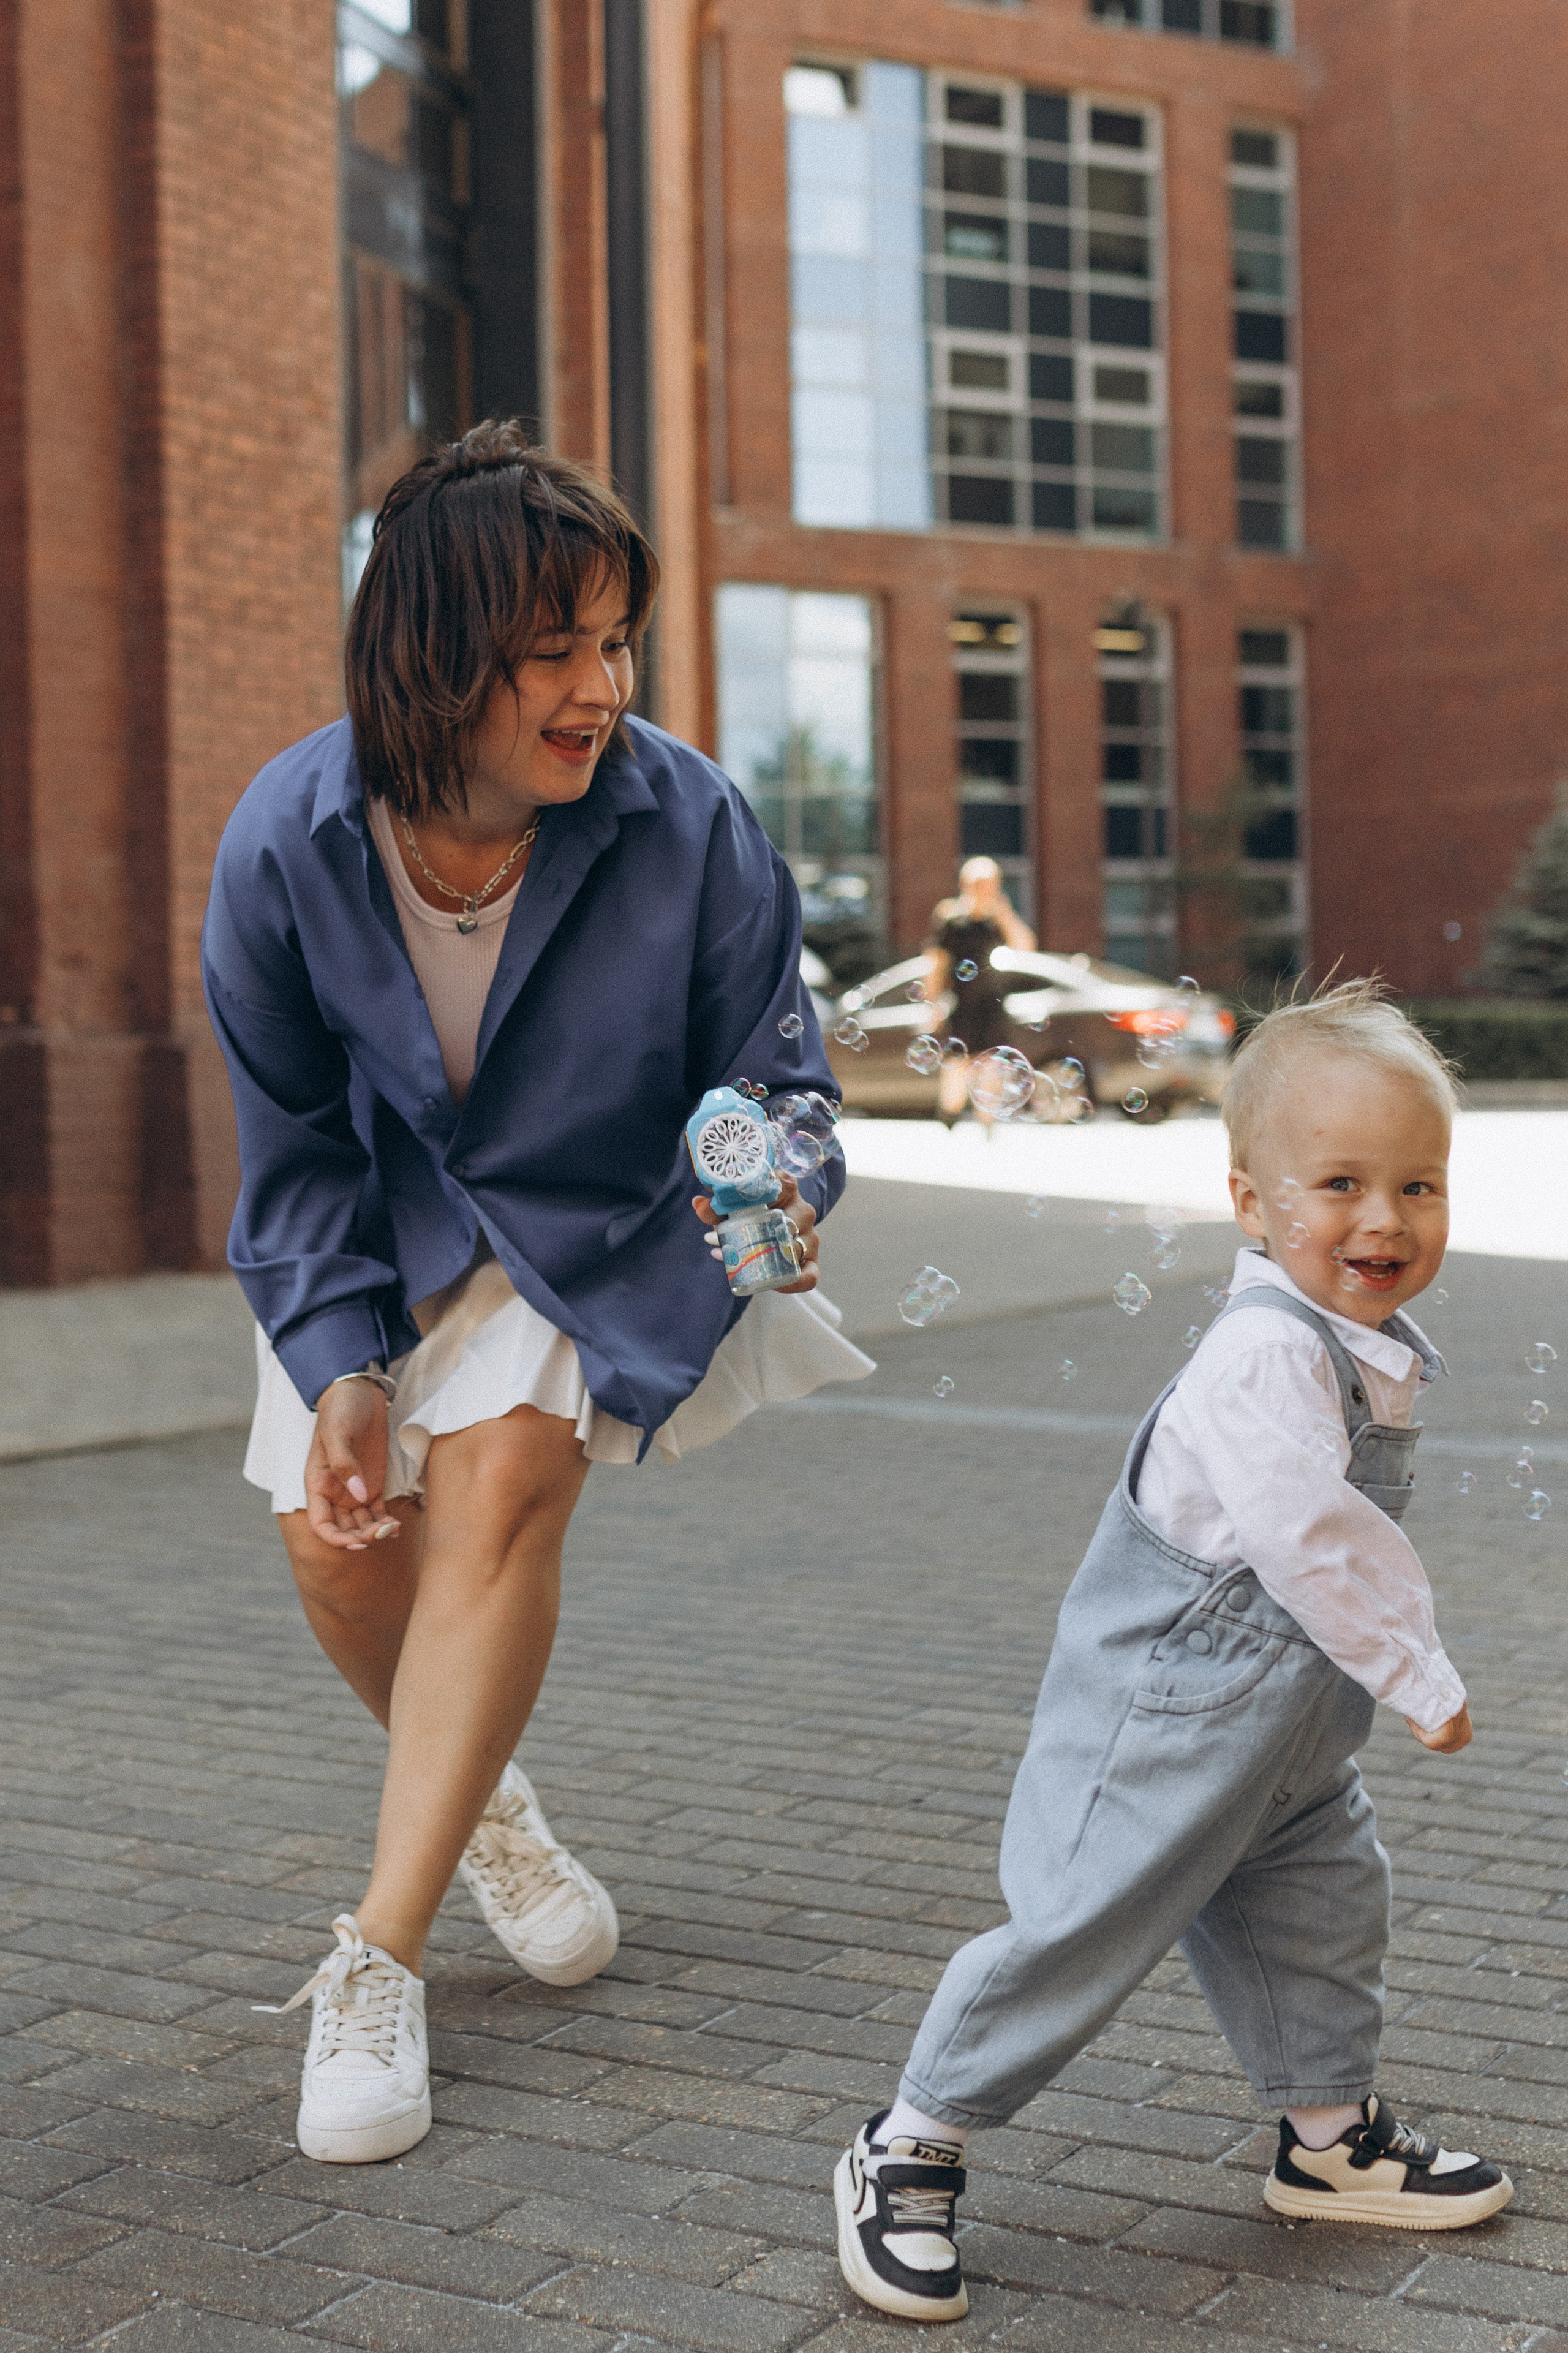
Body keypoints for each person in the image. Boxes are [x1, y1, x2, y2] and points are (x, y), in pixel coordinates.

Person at [203, 421, 872, 2167]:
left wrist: (779, 1185)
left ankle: (376, 1956)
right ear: (436, 660)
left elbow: (783, 1082)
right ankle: (483, 1809)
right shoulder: (282, 845)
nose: (603, 687)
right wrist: (343, 1360)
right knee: (337, 1538)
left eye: (616, 642)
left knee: (500, 1476)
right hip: (391, 1227)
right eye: (556, 649)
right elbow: (293, 1155)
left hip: (602, 1220)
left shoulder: (688, 816)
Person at [832, 980, 1511, 2324]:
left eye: (1417, 1185)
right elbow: (1307, 1534)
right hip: (1171, 1714)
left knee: (1320, 1908)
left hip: (1284, 1737)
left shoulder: (1359, 1340)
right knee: (1079, 1924)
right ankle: (907, 2142)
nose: (1382, 1218)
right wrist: (1415, 1671)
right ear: (1251, 1207)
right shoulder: (1263, 1352)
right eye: (1338, 1183)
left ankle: (1326, 2141)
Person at [925, 856, 1035, 1125]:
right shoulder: (951, 918)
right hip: (961, 1007)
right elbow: (936, 964)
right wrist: (932, 1004)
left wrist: (1005, 913)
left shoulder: (997, 920)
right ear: (965, 885)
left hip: (992, 1006)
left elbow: (1026, 946)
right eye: (980, 884)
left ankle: (988, 1129)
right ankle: (948, 1120)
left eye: (991, 885)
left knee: (991, 1070)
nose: (985, 890)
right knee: (955, 1070)